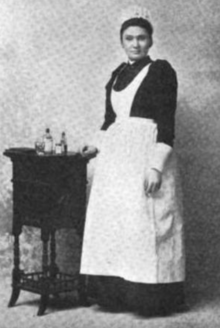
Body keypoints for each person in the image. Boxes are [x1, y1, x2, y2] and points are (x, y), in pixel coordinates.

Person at [80, 6, 185, 317]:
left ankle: (150, 300)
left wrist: (155, 165)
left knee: (145, 223)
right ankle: (116, 297)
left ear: (150, 41)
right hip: (117, 158)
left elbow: (166, 122)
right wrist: (95, 144)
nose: (135, 44)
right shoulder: (117, 74)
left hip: (145, 152)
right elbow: (110, 120)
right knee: (117, 223)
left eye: (141, 38)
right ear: (122, 41)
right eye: (129, 38)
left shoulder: (162, 72)